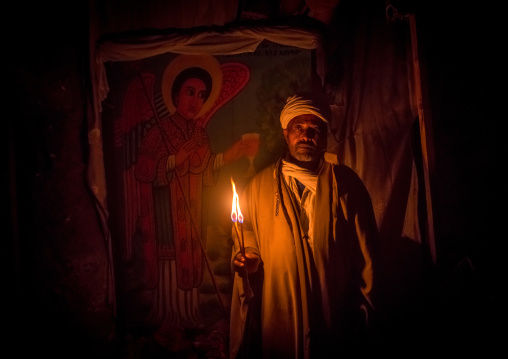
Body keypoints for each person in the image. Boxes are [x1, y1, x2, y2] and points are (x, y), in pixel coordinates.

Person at [229, 93, 380, 358]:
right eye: (298, 128)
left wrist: (366, 315)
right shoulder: (258, 187)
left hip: (333, 309)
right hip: (278, 308)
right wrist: (249, 257)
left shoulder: (346, 185)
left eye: (315, 129)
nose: (306, 135)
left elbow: (367, 257)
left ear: (324, 135)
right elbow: (246, 232)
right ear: (286, 133)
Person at [135, 55, 249, 330]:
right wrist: (173, 160)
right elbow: (143, 169)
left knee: (189, 262)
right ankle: (167, 317)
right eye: (189, 92)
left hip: (191, 213)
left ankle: (188, 316)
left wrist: (228, 156)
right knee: (170, 264)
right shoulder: (159, 132)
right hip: (166, 215)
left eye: (201, 96)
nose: (195, 101)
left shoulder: (200, 135)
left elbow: (207, 167)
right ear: (175, 95)